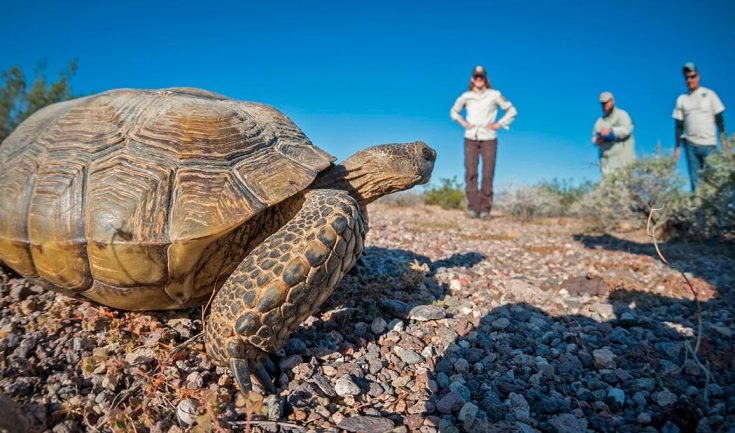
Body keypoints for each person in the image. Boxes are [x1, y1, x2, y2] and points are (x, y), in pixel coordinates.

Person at [450, 65, 517, 219]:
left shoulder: (494, 95)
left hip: (489, 138)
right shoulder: (466, 96)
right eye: (476, 76)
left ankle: (485, 209)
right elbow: (453, 111)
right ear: (472, 79)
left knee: (488, 173)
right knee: (471, 172)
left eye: (481, 76)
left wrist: (499, 124)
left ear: (485, 78)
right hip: (470, 137)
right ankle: (473, 208)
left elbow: (511, 110)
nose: (479, 79)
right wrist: (463, 122)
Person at [673, 62, 729, 190]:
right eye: (687, 77)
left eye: (692, 76)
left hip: (709, 144)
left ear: (698, 77)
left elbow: (719, 119)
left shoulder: (710, 94)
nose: (689, 80)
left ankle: (715, 209)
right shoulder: (682, 99)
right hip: (690, 144)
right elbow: (678, 125)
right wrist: (677, 147)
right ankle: (699, 209)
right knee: (696, 183)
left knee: (714, 180)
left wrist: (724, 138)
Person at [591, 91, 636, 175]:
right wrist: (598, 139)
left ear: (612, 101)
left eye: (606, 102)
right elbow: (594, 138)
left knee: (624, 186)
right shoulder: (599, 121)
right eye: (602, 103)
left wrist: (611, 131)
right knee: (607, 187)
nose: (605, 105)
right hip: (606, 164)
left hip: (622, 162)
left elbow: (627, 130)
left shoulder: (622, 114)